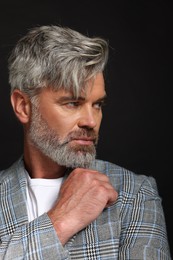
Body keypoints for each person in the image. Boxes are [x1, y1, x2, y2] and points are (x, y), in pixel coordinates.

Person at [0, 25, 171, 260]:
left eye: (97, 104)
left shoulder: (134, 194)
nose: (91, 121)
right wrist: (60, 221)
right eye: (72, 103)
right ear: (23, 106)